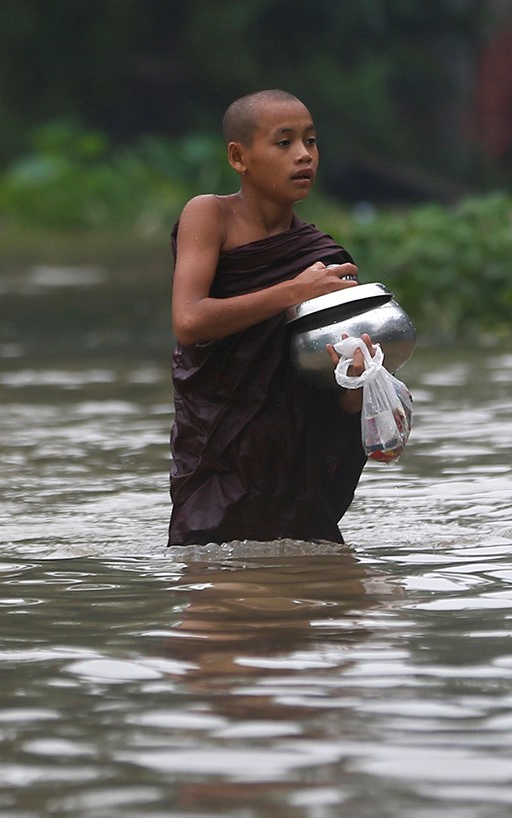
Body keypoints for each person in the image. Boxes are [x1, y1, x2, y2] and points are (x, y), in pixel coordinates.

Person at [168, 89, 376, 546]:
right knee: (212, 593)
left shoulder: (324, 258)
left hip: (296, 474)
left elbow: (331, 396)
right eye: (284, 143)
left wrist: (360, 381)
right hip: (217, 459)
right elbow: (188, 320)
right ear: (238, 157)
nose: (304, 156)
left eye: (312, 141)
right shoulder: (209, 215)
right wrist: (293, 292)